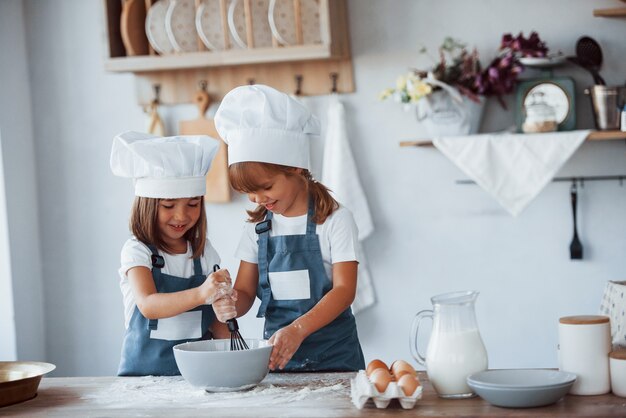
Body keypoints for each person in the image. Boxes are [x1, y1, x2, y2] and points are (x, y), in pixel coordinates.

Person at [213, 85, 365, 372]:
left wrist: (298, 329)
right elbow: (244, 293)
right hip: (278, 360)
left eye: (266, 187)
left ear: (296, 168)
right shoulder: (257, 229)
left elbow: (345, 290)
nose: (259, 200)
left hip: (336, 358)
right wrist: (229, 302)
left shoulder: (335, 220)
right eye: (250, 193)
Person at [110, 131, 237, 376]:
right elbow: (148, 305)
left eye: (193, 204)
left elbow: (215, 324)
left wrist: (225, 311)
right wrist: (202, 293)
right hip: (144, 381)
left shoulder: (204, 253)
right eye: (168, 206)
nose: (182, 216)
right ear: (147, 205)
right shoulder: (137, 252)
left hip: (200, 376)